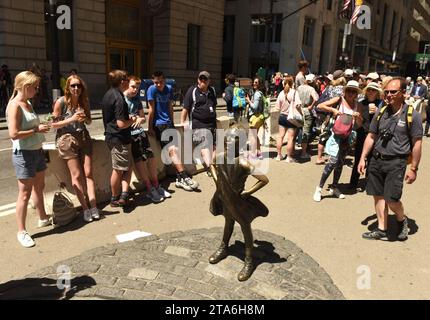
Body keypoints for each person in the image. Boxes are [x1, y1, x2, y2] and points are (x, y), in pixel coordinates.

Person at [358, 77, 423, 241]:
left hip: (397, 162)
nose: (388, 95)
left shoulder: (412, 115)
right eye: (386, 92)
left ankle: (402, 219)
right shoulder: (380, 112)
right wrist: (362, 158)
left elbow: (417, 143)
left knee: (392, 199)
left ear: (403, 93)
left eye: (393, 92)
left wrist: (414, 168)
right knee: (378, 195)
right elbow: (371, 136)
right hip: (377, 160)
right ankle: (382, 228)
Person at [208, 125, 269, 281]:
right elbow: (212, 166)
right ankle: (224, 247)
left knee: (245, 227)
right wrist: (217, 182)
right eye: (227, 138)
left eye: (233, 139)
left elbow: (264, 180)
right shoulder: (220, 157)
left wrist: (247, 192)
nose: (228, 141)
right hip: (224, 197)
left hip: (238, 201)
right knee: (228, 222)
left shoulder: (243, 163)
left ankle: (249, 261)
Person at [6, 71, 52, 248]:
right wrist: (36, 130)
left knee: (39, 187)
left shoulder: (28, 103)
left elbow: (33, 126)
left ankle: (42, 218)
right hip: (23, 154)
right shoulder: (15, 105)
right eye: (35, 87)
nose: (37, 90)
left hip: (37, 151)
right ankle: (22, 231)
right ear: (26, 87)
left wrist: (40, 129)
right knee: (24, 194)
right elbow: (14, 134)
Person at [51, 75, 100, 222]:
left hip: (83, 137)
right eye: (73, 86)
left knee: (89, 173)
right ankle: (85, 209)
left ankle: (93, 206)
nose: (76, 88)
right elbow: (53, 125)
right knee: (77, 175)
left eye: (78, 85)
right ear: (68, 87)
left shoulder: (83, 101)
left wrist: (84, 118)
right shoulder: (60, 102)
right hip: (67, 139)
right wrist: (72, 119)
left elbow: (90, 121)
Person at [147, 71, 199, 191]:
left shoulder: (169, 88)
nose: (159, 85)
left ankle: (181, 177)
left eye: (161, 82)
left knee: (173, 151)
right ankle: (183, 176)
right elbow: (151, 110)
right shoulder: (151, 89)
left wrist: (172, 123)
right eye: (156, 83)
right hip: (159, 125)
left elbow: (170, 107)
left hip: (168, 124)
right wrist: (150, 128)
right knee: (172, 151)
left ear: (164, 80)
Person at [313, 80, 363, 202]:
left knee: (340, 163)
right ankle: (319, 188)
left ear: (356, 93)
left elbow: (359, 125)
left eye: (354, 91)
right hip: (336, 137)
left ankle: (335, 187)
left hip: (348, 137)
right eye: (349, 90)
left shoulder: (358, 105)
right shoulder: (339, 99)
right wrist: (333, 111)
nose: (351, 93)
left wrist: (358, 118)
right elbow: (319, 105)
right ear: (345, 91)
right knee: (332, 163)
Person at [124, 76, 170, 203]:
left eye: (137, 88)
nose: (135, 90)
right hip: (129, 134)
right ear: (127, 85)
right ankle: (149, 188)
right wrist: (132, 119)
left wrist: (140, 119)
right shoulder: (122, 99)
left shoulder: (137, 99)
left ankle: (156, 185)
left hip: (139, 132)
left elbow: (143, 117)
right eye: (133, 87)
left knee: (151, 156)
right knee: (139, 160)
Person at [102, 70, 136, 207]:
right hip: (119, 138)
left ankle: (122, 195)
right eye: (127, 79)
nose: (128, 82)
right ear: (122, 81)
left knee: (125, 167)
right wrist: (133, 119)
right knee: (119, 169)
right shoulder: (119, 98)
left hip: (111, 137)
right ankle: (115, 198)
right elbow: (121, 124)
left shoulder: (108, 94)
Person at [349, 82, 384, 190]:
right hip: (362, 133)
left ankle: (369, 183)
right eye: (369, 90)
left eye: (373, 90)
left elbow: (385, 119)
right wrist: (357, 117)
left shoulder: (381, 103)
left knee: (372, 160)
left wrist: (377, 111)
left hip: (376, 135)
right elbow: (359, 124)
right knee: (359, 157)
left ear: (377, 92)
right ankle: (353, 183)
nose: (371, 92)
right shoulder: (361, 103)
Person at [181, 71, 218, 172]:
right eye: (200, 79)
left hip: (212, 124)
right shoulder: (192, 91)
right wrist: (183, 121)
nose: (202, 81)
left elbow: (214, 106)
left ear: (209, 81)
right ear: (198, 79)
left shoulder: (212, 91)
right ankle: (211, 169)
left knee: (215, 147)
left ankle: (212, 166)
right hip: (198, 125)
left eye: (205, 79)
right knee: (204, 147)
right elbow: (185, 108)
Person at [273, 75, 302, 162]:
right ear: (292, 83)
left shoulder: (281, 93)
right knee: (290, 138)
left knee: (280, 137)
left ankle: (279, 155)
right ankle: (288, 157)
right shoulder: (294, 92)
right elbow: (298, 105)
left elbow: (277, 107)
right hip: (291, 118)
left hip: (282, 117)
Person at [297, 74, 319, 160]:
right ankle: (303, 152)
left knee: (297, 130)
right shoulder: (311, 89)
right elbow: (316, 99)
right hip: (307, 110)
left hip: (299, 110)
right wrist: (311, 106)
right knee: (305, 132)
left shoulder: (299, 88)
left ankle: (294, 148)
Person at [245, 76, 265, 159]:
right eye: (254, 82)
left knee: (252, 136)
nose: (254, 83)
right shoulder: (260, 93)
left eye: (256, 82)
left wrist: (248, 100)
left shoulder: (257, 94)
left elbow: (255, 107)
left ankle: (253, 154)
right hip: (259, 117)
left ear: (260, 84)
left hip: (255, 117)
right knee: (255, 135)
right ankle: (259, 152)